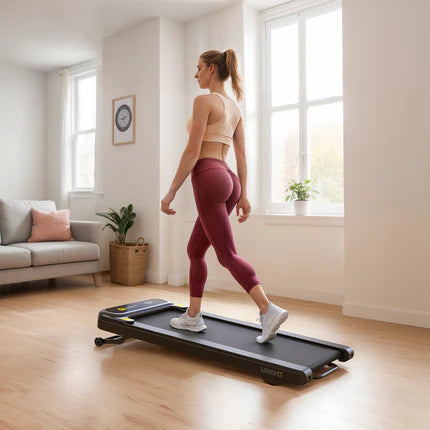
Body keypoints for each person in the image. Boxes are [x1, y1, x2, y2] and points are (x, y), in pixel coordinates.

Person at [160, 49, 288, 343]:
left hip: (208, 175)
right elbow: (241, 156)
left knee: (226, 254)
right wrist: (243, 195)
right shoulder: (235, 108)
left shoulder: (203, 101)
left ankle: (267, 309)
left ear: (212, 69)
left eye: (199, 68)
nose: (196, 74)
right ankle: (193, 317)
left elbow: (193, 151)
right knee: (195, 250)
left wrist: (171, 191)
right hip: (228, 178)